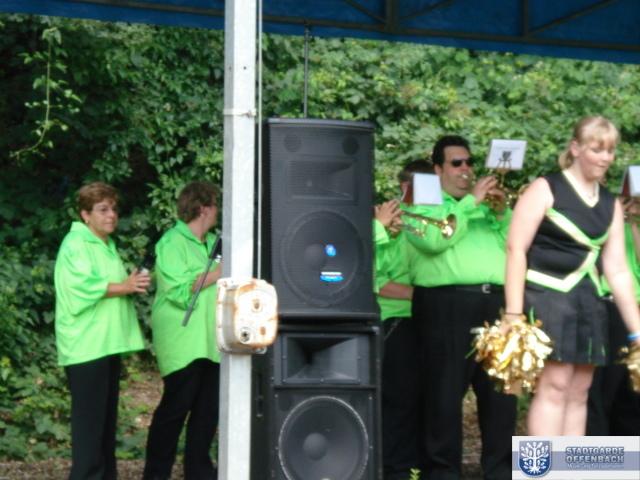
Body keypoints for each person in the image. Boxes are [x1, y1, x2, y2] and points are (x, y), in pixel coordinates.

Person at [503, 115, 640, 436]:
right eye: (597, 150)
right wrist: (513, 313)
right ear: (576, 148)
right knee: (555, 386)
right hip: (545, 297)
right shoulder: (545, 188)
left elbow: (618, 270)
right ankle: (543, 464)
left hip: (589, 302)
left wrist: (637, 331)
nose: (605, 158)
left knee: (580, 390)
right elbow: (515, 249)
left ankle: (568, 463)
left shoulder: (610, 203)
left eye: (610, 151)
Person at [405, 136, 517, 480]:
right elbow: (434, 240)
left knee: (501, 394)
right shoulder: (422, 206)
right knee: (443, 395)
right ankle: (442, 473)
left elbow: (516, 247)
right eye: (456, 163)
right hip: (445, 304)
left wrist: (501, 213)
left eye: (469, 162)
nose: (466, 168)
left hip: (496, 304)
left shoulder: (486, 209)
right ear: (438, 169)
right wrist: (471, 202)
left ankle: (501, 471)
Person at [54, 181, 150, 480]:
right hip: (86, 346)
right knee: (90, 428)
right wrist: (125, 285)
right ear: (85, 214)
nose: (111, 215)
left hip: (106, 343)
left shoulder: (106, 244)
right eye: (102, 209)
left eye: (114, 209)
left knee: (105, 426)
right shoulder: (76, 243)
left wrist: (130, 283)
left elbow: (112, 288)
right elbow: (81, 288)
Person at [143, 180, 222, 480]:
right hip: (182, 341)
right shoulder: (171, 242)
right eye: (215, 204)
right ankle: (156, 475)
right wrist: (218, 273)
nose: (218, 211)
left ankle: (199, 473)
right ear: (203, 208)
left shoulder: (215, 241)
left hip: (212, 342)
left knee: (206, 413)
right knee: (175, 410)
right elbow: (179, 290)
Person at [375, 160, 432, 480]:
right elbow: (375, 280)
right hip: (397, 322)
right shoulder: (387, 221)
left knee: (428, 399)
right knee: (401, 400)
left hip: (429, 320)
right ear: (404, 187)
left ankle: (422, 466)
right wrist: (423, 296)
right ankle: (397, 469)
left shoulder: (432, 219)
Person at [587, 195, 640, 435]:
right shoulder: (596, 222)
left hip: (631, 310)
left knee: (629, 390)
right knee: (602, 388)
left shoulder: (629, 227)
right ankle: (598, 449)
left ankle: (627, 453)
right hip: (603, 307)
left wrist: (633, 223)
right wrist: (612, 219)